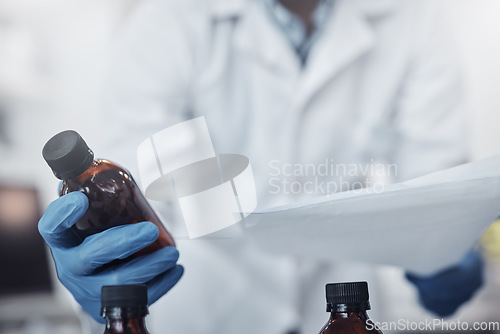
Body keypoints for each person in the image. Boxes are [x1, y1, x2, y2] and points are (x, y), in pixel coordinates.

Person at [38, 0, 484, 333]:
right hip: (203, 309)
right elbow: (135, 192)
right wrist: (104, 274)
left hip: (341, 302)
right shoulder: (167, 21)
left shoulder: (413, 19)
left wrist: (449, 244)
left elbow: (433, 180)